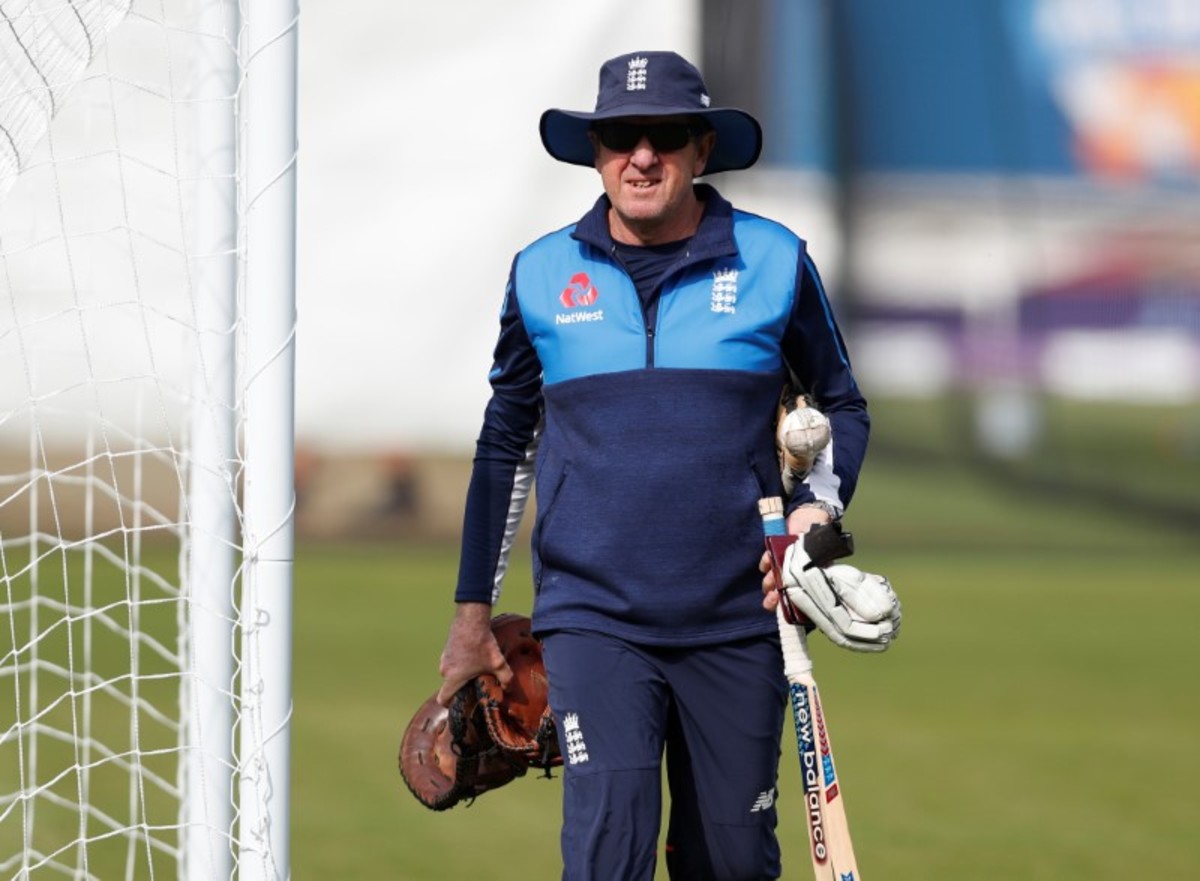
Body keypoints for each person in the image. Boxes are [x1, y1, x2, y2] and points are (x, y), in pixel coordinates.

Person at [436, 50, 871, 880]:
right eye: (620, 137)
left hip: (742, 616)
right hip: (593, 616)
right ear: (595, 153)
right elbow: (504, 442)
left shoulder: (775, 260)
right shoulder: (541, 273)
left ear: (701, 150)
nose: (641, 156)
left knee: (731, 861)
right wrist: (470, 614)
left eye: (665, 136)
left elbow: (842, 406)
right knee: (607, 850)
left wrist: (815, 514)